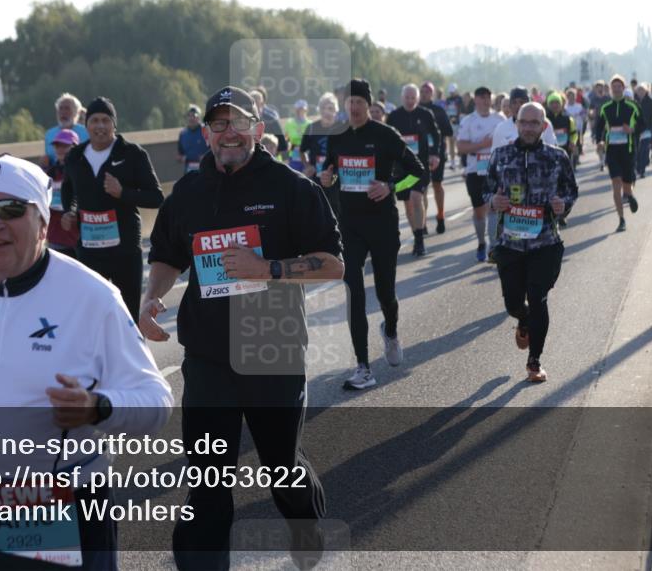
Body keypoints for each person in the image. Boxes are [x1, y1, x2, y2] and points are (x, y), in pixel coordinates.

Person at [0, 154, 173, 571]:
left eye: (12, 209)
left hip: (68, 503)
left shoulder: (93, 296)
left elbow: (156, 401)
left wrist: (97, 407)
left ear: (43, 222)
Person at [141, 86, 343, 571]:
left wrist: (267, 269)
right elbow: (167, 254)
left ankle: (306, 526)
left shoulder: (292, 188)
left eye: (237, 123)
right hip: (208, 356)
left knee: (282, 467)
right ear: (206, 133)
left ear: (257, 128)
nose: (228, 132)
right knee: (208, 479)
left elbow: (333, 265)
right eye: (218, 123)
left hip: (273, 349)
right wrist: (152, 296)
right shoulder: (188, 193)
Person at [320, 79, 428, 389]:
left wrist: (391, 186)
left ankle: (391, 330)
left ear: (369, 106)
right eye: (350, 102)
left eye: (359, 102)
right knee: (354, 294)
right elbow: (329, 173)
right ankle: (363, 367)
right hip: (350, 227)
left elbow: (418, 172)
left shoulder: (386, 135)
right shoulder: (338, 137)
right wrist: (327, 178)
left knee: (385, 294)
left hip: (382, 226)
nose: (354, 108)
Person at [486, 101, 578, 383]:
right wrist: (493, 200)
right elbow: (485, 189)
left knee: (538, 299)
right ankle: (521, 318)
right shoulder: (501, 155)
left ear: (544, 126)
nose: (528, 127)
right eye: (523, 122)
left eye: (534, 123)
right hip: (510, 245)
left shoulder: (557, 156)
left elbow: (571, 191)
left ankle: (534, 361)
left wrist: (563, 205)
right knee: (513, 302)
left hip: (545, 243)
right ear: (516, 123)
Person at [60, 97, 163, 321]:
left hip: (124, 250)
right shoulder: (75, 157)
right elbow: (69, 189)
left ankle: (133, 355)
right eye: (94, 120)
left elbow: (156, 197)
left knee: (128, 316)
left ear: (114, 125)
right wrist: (70, 211)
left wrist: (122, 193)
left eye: (106, 120)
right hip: (89, 250)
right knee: (92, 313)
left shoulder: (132, 154)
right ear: (86, 125)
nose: (100, 126)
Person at [386, 84, 441, 256]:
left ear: (417, 99)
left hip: (420, 165)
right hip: (401, 168)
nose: (410, 101)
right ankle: (417, 232)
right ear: (402, 98)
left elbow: (435, 135)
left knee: (416, 197)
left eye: (412, 98)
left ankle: (419, 240)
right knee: (408, 204)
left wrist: (434, 154)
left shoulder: (425, 115)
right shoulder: (394, 117)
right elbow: (387, 140)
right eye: (407, 98)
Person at [456, 87, 504, 262]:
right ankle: (481, 242)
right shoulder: (468, 121)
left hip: (494, 172)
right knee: (479, 212)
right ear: (475, 100)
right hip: (474, 171)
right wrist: (482, 144)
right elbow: (461, 148)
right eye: (481, 97)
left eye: (488, 97)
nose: (485, 100)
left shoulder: (499, 119)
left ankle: (493, 246)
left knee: (493, 207)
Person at [594, 75, 641, 232]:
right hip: (612, 151)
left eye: (619, 86)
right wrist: (599, 141)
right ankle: (621, 219)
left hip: (627, 150)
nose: (616, 89)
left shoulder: (632, 106)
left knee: (627, 185)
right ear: (610, 89)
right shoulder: (606, 108)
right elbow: (598, 127)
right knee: (616, 184)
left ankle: (630, 195)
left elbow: (644, 124)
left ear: (623, 87)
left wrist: (632, 130)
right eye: (613, 86)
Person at [301, 92, 343, 218]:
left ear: (336, 110)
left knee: (338, 212)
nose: (326, 111)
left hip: (338, 179)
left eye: (330, 108)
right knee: (319, 212)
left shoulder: (342, 128)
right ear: (319, 110)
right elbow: (302, 150)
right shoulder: (312, 128)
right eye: (323, 108)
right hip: (317, 178)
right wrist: (308, 165)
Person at [419, 82, 453, 233]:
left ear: (432, 94)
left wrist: (435, 133)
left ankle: (440, 216)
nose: (425, 93)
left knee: (437, 185)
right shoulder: (415, 110)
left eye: (428, 91)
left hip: (437, 154)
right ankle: (423, 221)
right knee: (422, 188)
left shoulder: (439, 110)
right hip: (419, 155)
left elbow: (449, 132)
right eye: (422, 91)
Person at [44, 129, 80, 257]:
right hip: (56, 236)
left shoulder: (82, 171)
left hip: (78, 238)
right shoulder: (49, 173)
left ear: (75, 147)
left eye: (65, 145)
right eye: (57, 145)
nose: (60, 149)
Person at [492, 87, 558, 152]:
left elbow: (553, 150)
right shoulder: (501, 128)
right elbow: (495, 155)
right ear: (510, 105)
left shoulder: (544, 124)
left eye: (521, 102)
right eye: (514, 102)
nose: (518, 106)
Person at [44, 93, 89, 165]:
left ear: (77, 112)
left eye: (67, 108)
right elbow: (48, 159)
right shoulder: (49, 134)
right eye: (60, 108)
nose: (63, 112)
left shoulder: (87, 132)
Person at [634, 83, 652, 177]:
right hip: (636, 130)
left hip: (647, 129)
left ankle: (643, 170)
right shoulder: (634, 102)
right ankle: (638, 167)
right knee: (637, 150)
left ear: (646, 91)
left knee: (645, 150)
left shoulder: (650, 101)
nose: (640, 92)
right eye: (639, 91)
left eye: (642, 90)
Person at [177, 104, 209, 173]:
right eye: (189, 115)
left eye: (194, 116)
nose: (191, 118)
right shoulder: (183, 134)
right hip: (189, 172)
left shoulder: (207, 131)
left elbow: (215, 150)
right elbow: (179, 155)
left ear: (199, 117)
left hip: (206, 171)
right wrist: (182, 158)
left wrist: (206, 158)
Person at [283, 99, 311, 169]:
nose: (300, 112)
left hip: (306, 157)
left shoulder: (310, 124)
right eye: (298, 109)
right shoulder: (289, 123)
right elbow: (286, 140)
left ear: (306, 110)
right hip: (293, 157)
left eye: (302, 109)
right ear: (295, 110)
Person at [444, 83, 466, 168]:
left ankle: (460, 160)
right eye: (450, 92)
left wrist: (457, 117)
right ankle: (452, 162)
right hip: (450, 123)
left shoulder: (459, 99)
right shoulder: (448, 99)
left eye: (453, 92)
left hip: (458, 123)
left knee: (458, 142)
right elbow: (446, 109)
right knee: (451, 142)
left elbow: (462, 110)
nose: (451, 93)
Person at [563, 88, 587, 166]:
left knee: (577, 144)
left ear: (575, 96)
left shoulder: (579, 106)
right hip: (569, 129)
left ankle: (576, 159)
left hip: (578, 127)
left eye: (572, 95)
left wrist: (580, 115)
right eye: (569, 96)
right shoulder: (565, 107)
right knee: (571, 144)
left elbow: (584, 116)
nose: (571, 97)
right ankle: (572, 159)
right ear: (567, 97)